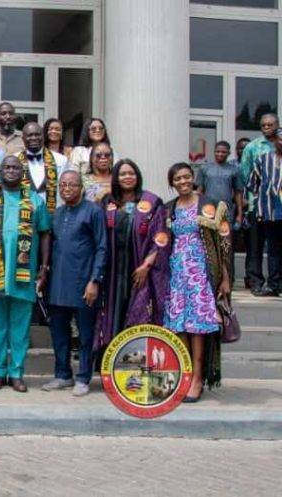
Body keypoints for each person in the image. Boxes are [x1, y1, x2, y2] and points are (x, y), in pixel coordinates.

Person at [160, 162, 232, 402]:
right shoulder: (169, 208)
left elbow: (224, 244)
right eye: (177, 179)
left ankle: (198, 379)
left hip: (201, 274)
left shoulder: (209, 205)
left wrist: (225, 278)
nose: (182, 182)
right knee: (179, 327)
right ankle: (185, 374)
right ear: (172, 183)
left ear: (193, 178)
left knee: (197, 328)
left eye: (186, 177)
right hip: (176, 275)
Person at [0, 156, 51, 393]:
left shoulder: (34, 200)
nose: (11, 170)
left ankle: (17, 373)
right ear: (0, 170)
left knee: (20, 328)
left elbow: (44, 233)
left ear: (23, 172)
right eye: (6, 167)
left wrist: (43, 268)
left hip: (23, 274)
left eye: (15, 167)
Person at [41, 170, 106, 396]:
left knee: (85, 335)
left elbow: (101, 247)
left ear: (81, 188)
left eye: (72, 184)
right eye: (63, 185)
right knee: (59, 333)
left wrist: (94, 281)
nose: (66, 188)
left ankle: (83, 377)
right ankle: (63, 375)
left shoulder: (93, 212)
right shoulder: (57, 214)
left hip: (84, 284)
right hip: (58, 285)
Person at [94, 160, 169, 351]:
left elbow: (161, 237)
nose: (127, 177)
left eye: (131, 173)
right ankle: (111, 363)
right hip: (112, 271)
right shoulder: (107, 202)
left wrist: (146, 265)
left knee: (138, 310)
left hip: (139, 268)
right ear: (115, 178)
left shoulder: (152, 202)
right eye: (122, 174)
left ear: (138, 176)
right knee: (113, 312)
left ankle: (138, 359)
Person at [246, 128, 282, 297]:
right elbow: (252, 184)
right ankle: (274, 284)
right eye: (280, 139)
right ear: (275, 142)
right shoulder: (263, 159)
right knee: (273, 250)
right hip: (271, 212)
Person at [17, 122, 69, 214]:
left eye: (37, 135)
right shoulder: (15, 160)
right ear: (23, 138)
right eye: (29, 135)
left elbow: (65, 189)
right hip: (22, 215)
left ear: (43, 136)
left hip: (54, 214)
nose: (34, 138)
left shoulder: (61, 160)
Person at [196, 141, 244, 230]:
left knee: (225, 240)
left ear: (229, 153)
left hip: (226, 210)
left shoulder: (234, 170)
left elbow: (238, 193)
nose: (220, 154)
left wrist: (239, 215)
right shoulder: (205, 168)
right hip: (208, 210)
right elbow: (199, 191)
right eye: (217, 151)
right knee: (208, 239)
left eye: (223, 152)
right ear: (214, 152)